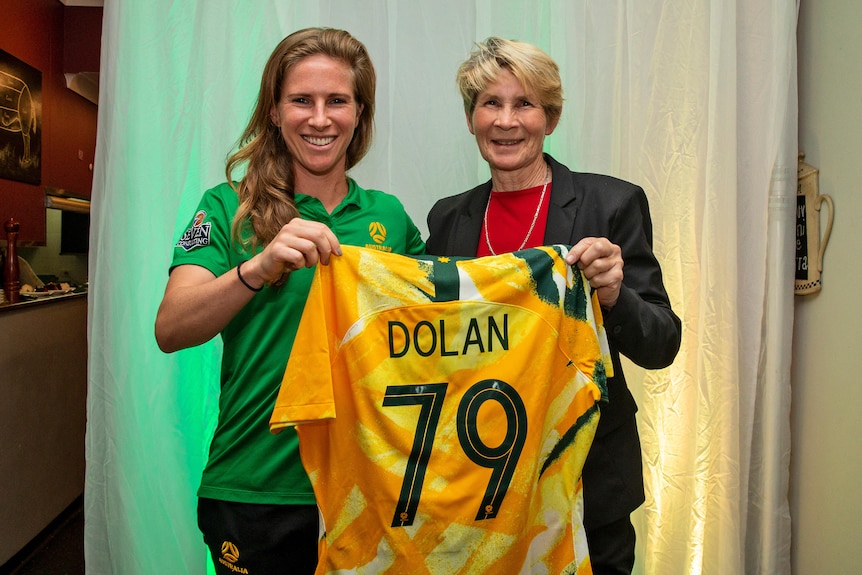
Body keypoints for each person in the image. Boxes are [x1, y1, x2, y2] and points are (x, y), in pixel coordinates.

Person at [155, 28, 425, 575]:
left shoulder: (390, 217)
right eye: (301, 100)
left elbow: (440, 327)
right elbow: (172, 328)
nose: (320, 119)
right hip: (257, 490)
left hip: (371, 491)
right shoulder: (228, 207)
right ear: (275, 112)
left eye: (337, 101)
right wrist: (257, 267)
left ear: (359, 113)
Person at [426, 37, 681, 575]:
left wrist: (614, 295)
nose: (506, 121)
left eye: (525, 104)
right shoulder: (448, 219)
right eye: (490, 103)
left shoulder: (610, 203)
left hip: (589, 484)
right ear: (471, 118)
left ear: (551, 117)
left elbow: (662, 342)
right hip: (482, 485)